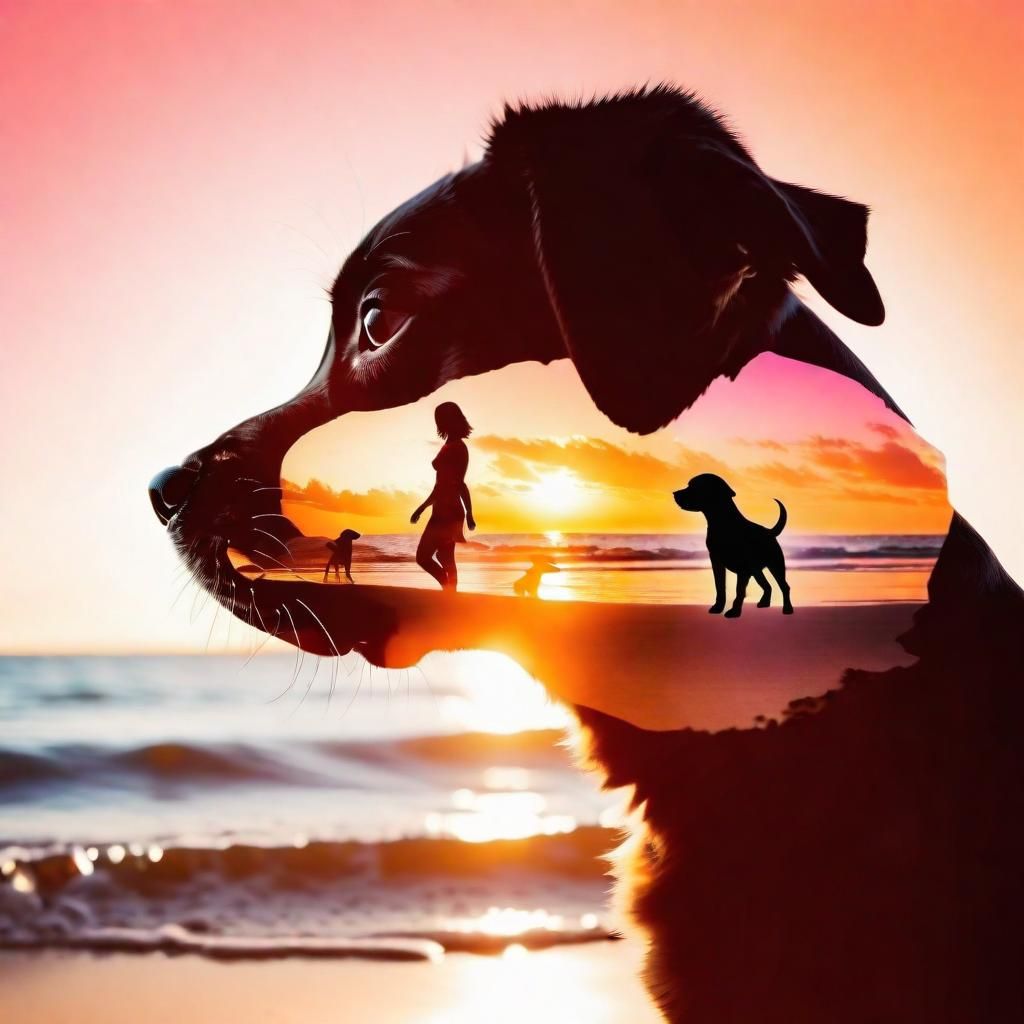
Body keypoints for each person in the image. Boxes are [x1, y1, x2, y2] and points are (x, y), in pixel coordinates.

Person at [410, 402, 476, 590]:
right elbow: (442, 486)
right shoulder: (451, 445)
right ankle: (449, 593)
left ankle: (448, 589)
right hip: (445, 509)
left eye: (440, 420)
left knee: (424, 557)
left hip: (448, 511)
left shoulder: (457, 448)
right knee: (444, 557)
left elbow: (458, 484)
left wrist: (469, 512)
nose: (438, 424)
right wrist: (422, 508)